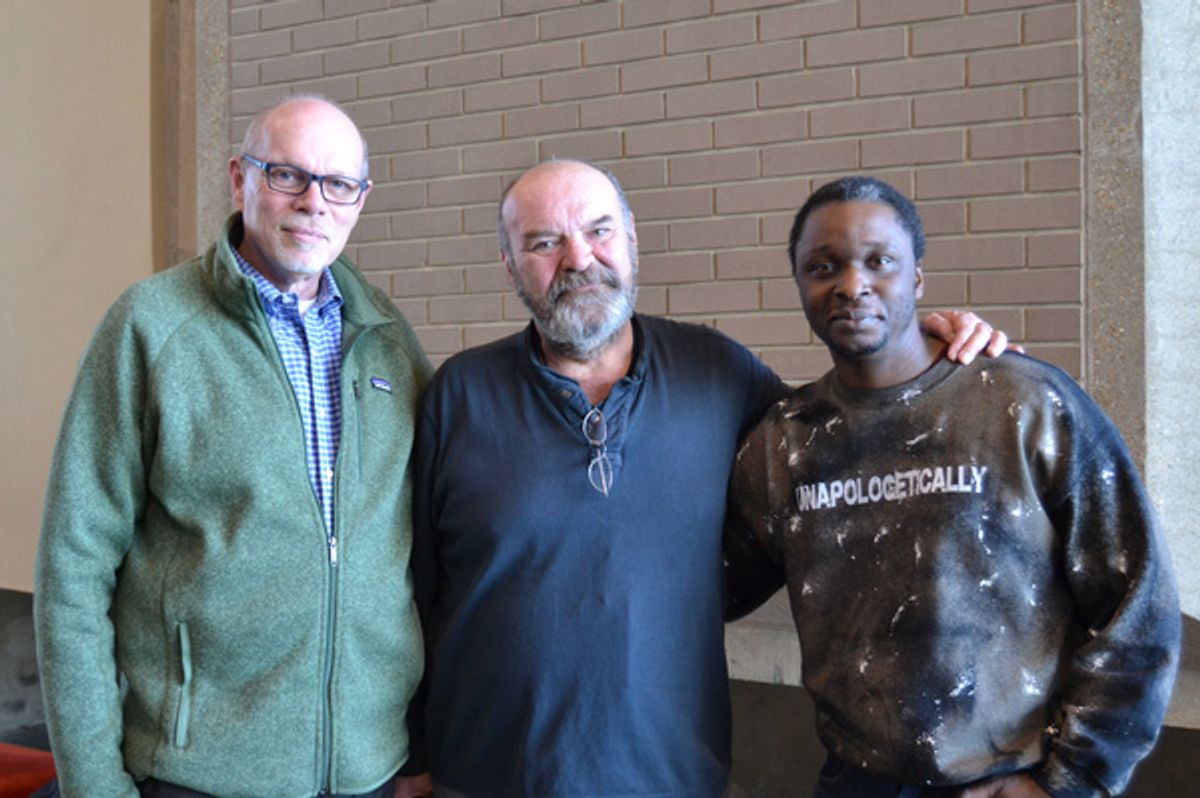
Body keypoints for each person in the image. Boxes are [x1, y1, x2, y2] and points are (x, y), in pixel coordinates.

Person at [406, 160, 1007, 798]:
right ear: (510, 263)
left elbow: (845, 435)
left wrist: (921, 346)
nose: (579, 259)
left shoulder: (717, 372)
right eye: (544, 242)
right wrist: (413, 756)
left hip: (674, 778)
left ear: (632, 239)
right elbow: (410, 590)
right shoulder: (459, 396)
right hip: (484, 779)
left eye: (599, 231)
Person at [725, 176, 1181, 798]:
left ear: (916, 279)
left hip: (1010, 781)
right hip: (855, 782)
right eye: (823, 266)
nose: (851, 285)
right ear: (802, 285)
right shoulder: (784, 444)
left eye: (879, 261)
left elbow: (1138, 603)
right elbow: (709, 586)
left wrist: (1069, 780)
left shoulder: (1024, 403)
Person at [35, 96, 433, 798]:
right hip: (200, 775)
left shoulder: (388, 339)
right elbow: (73, 573)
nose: (314, 202)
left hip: (370, 772)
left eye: (338, 184)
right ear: (238, 179)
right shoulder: (153, 327)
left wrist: (420, 748)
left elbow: (430, 550)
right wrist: (93, 786)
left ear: (361, 200)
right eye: (287, 175)